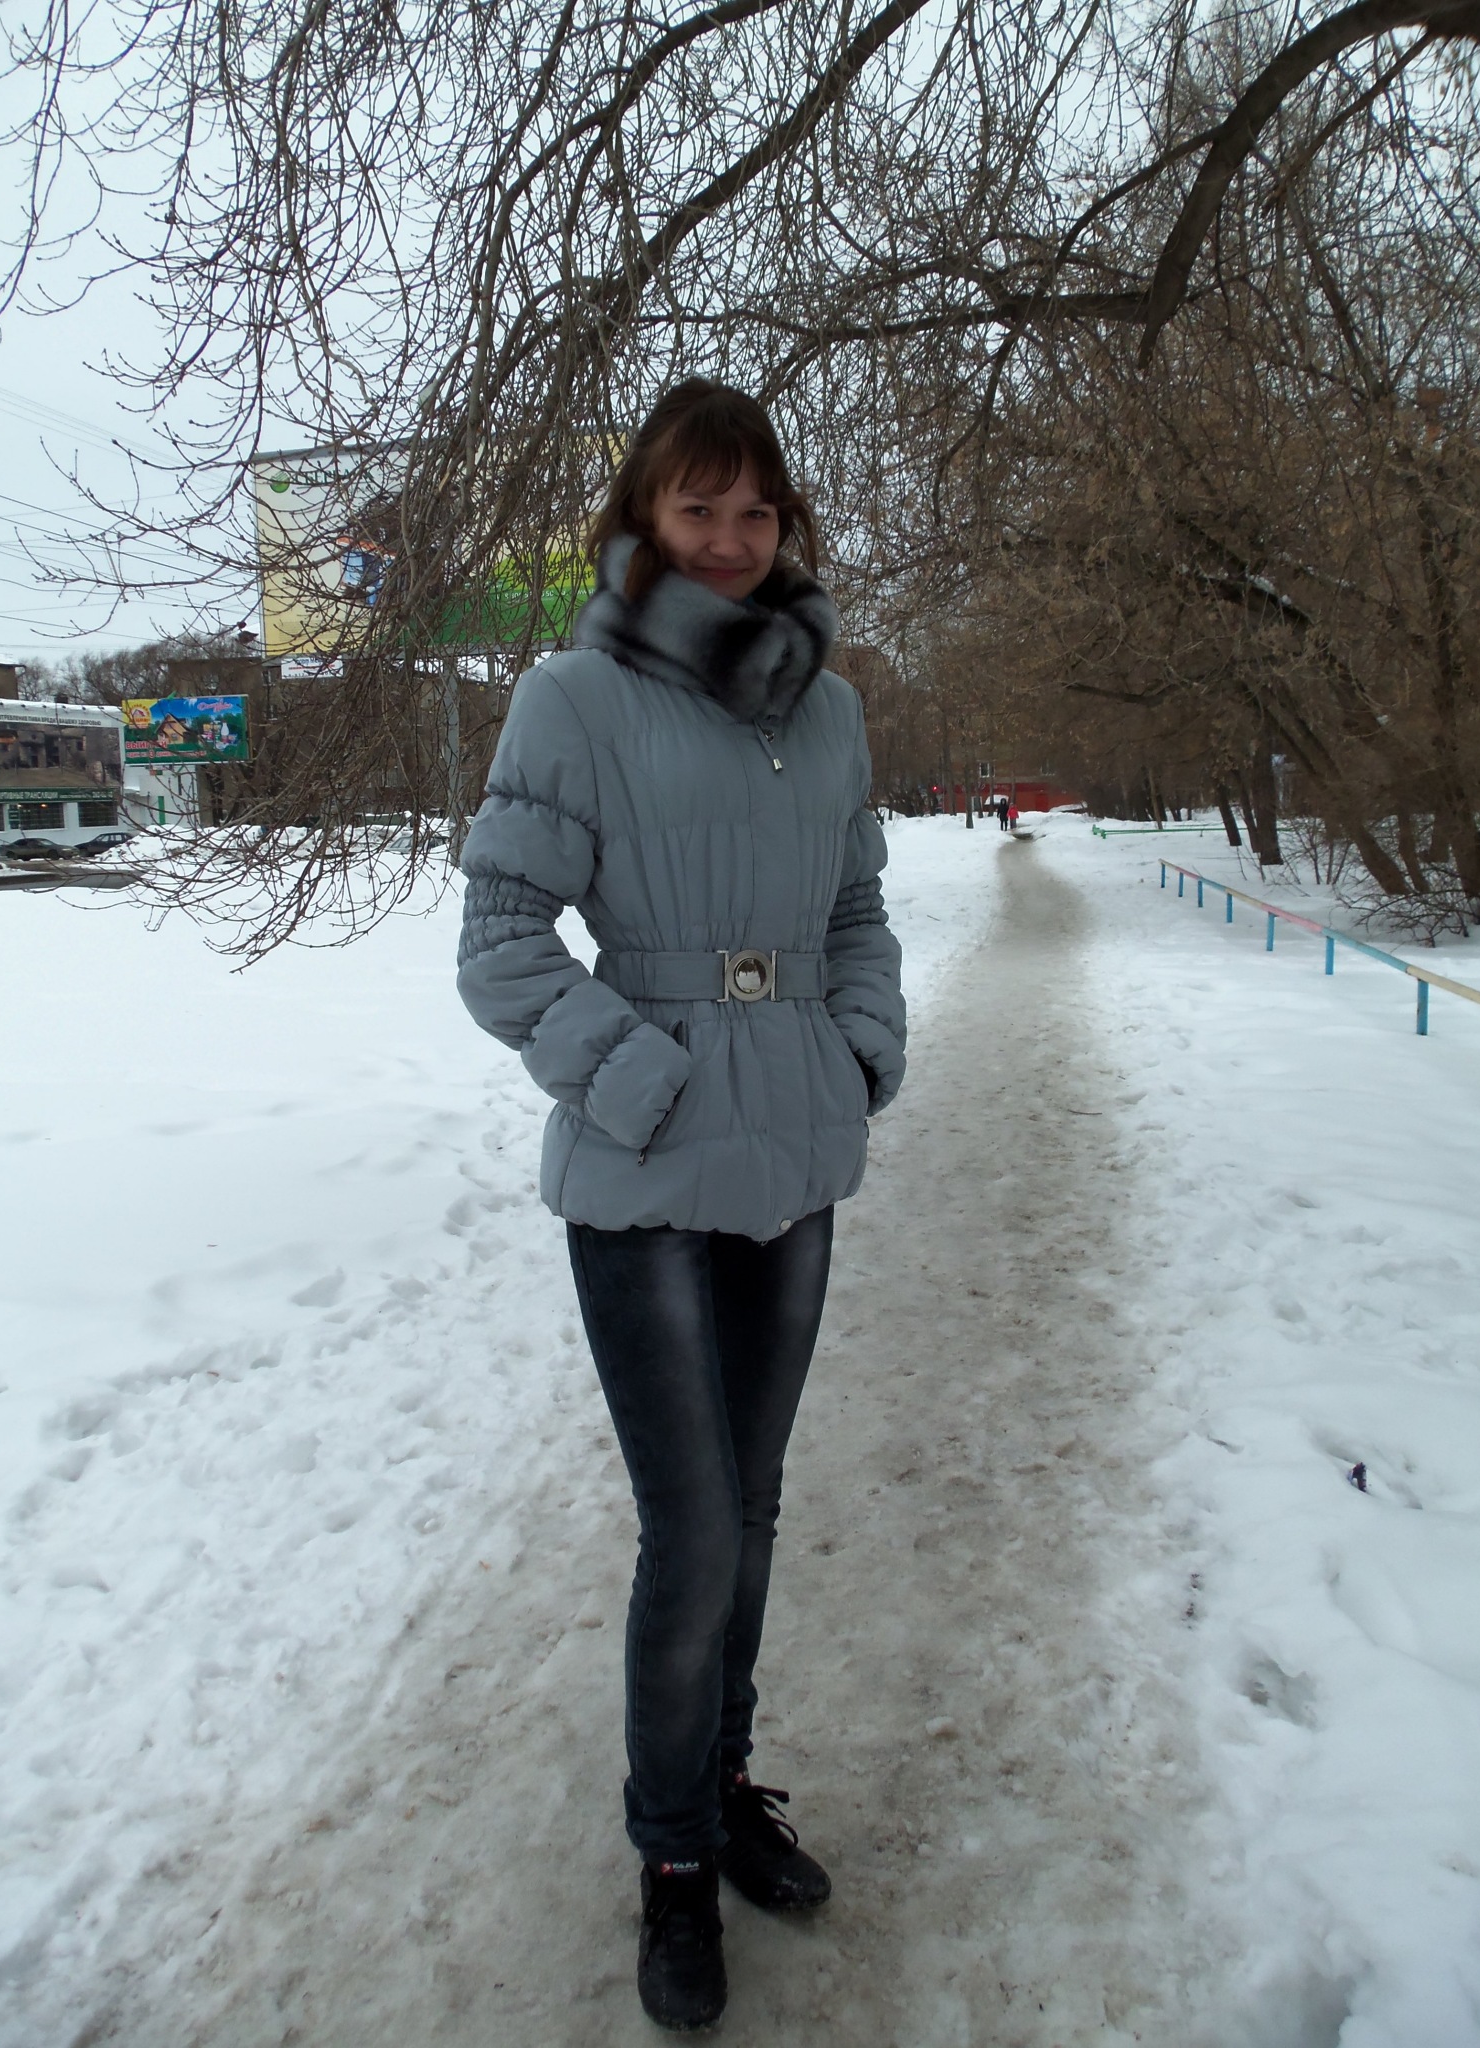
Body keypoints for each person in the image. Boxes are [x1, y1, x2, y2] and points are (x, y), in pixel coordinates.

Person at [455, 380, 907, 2030]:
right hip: (642, 1169)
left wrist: (861, 1046)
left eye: (754, 510)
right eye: (695, 508)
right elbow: (502, 944)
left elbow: (857, 912)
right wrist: (636, 1078)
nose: (728, 539)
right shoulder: (570, 697)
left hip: (792, 1158)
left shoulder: (831, 711)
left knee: (757, 1506)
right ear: (643, 520)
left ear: (787, 523)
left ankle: (723, 1787)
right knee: (695, 1523)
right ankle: (668, 1855)